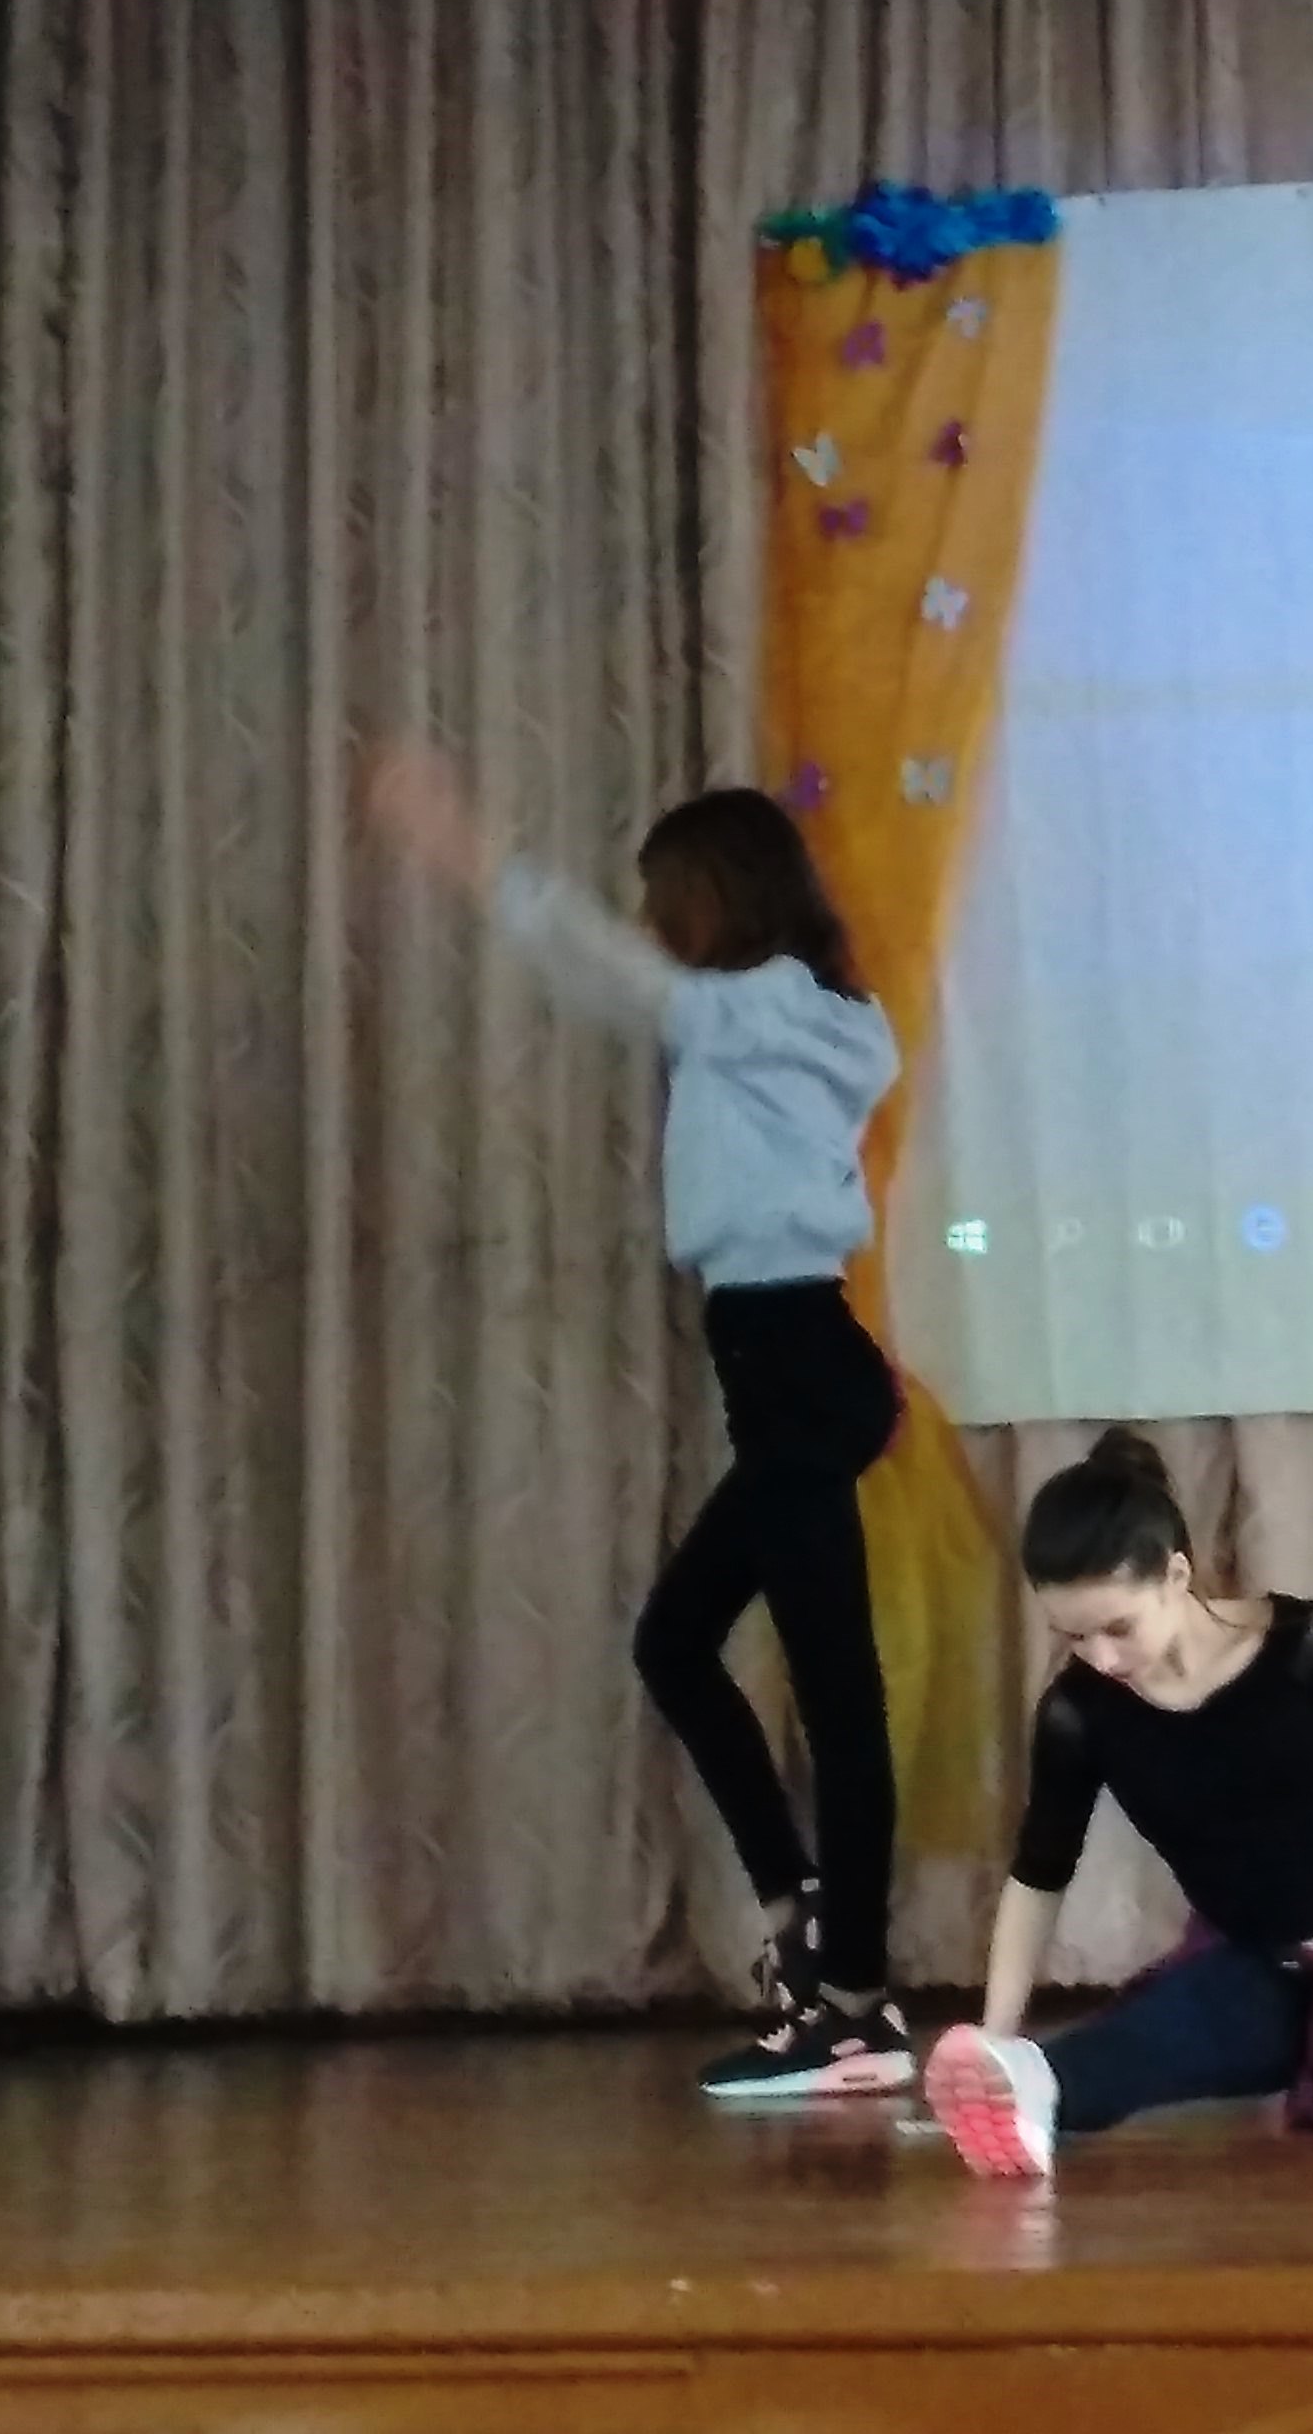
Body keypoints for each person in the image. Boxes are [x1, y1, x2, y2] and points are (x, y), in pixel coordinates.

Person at [366, 747, 921, 2101]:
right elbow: (629, 985)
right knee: (677, 1642)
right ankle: (805, 1928)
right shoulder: (801, 1014)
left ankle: (856, 2005)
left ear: (719, 895)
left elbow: (609, 975)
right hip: (792, 1362)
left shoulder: (756, 1009)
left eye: (666, 896)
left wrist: (468, 852)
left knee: (836, 1695)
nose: (654, 922)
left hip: (794, 1360)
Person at [924, 1432, 1313, 2178]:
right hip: (1252, 1968)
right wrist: (996, 2034)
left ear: (1176, 1575)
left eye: (1118, 1628)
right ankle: (1026, 2083)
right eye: (1073, 1637)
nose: (1100, 1658)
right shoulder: (1079, 1713)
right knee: (1174, 2022)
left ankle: (1037, 2088)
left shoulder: (1302, 1647)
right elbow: (1038, 1875)